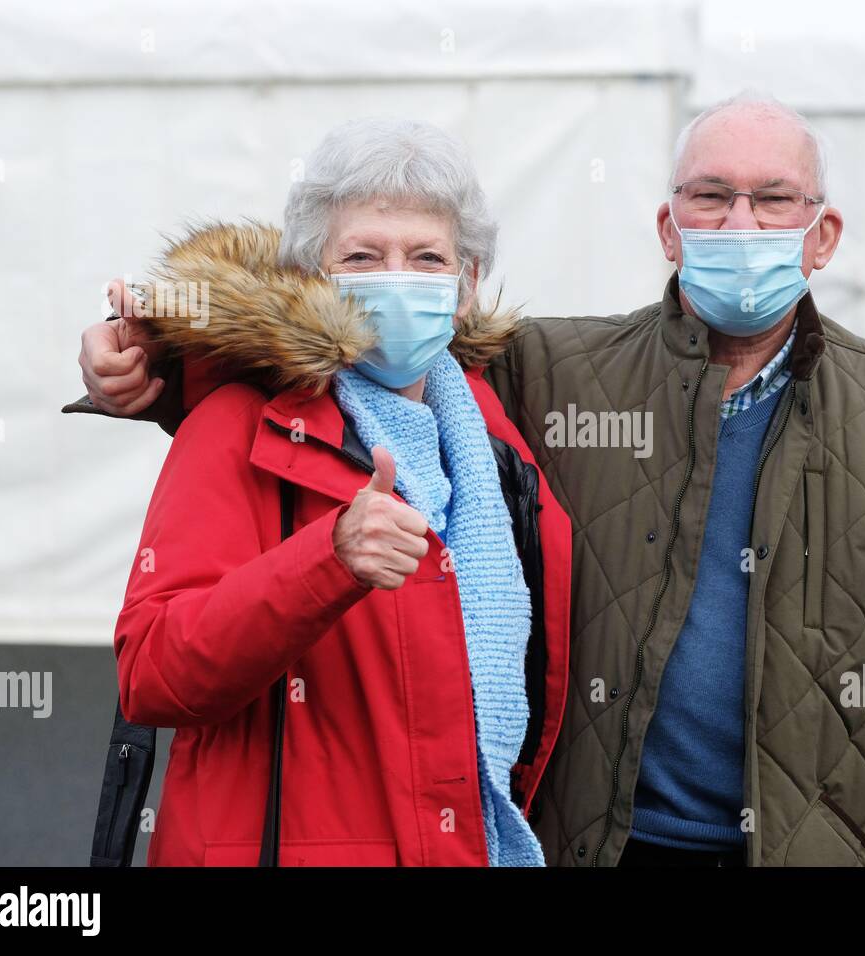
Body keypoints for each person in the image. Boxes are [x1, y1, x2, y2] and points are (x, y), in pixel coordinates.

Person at [73, 90, 865, 867]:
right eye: (709, 198)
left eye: (773, 201)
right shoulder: (556, 377)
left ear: (823, 234)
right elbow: (317, 382)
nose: (740, 225)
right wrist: (156, 368)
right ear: (666, 225)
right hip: (599, 847)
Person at [73, 117, 572, 866]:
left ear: (466, 286)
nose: (398, 279)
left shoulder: (493, 431)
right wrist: (327, 559)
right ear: (313, 280)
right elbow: (153, 674)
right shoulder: (238, 425)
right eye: (364, 257)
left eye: (427, 257)